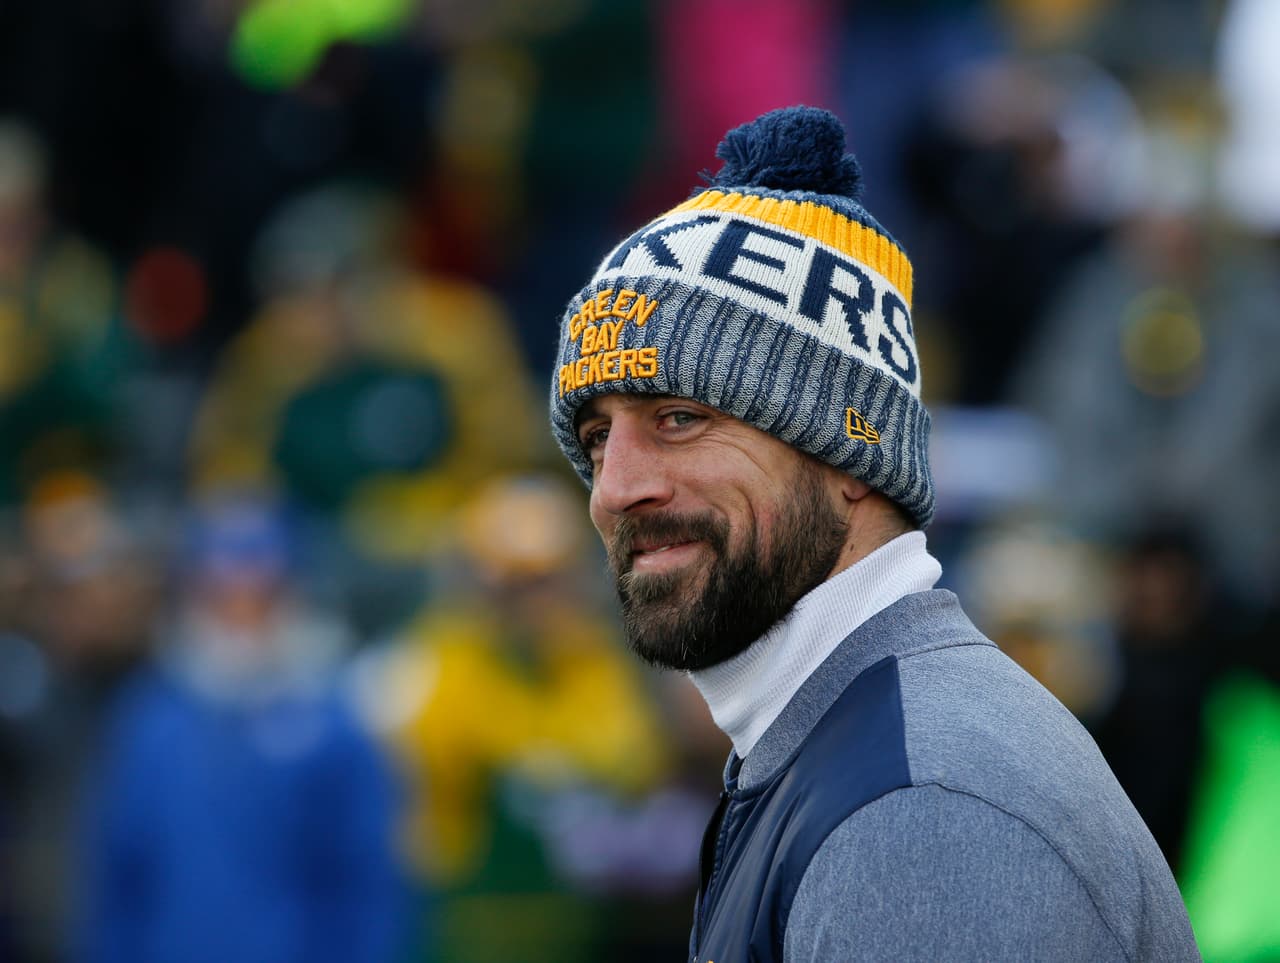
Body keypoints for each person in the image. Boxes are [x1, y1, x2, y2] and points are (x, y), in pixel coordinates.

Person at [547, 106, 1200, 962]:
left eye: (678, 417)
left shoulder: (921, 811)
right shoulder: (848, 752)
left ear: (850, 450)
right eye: (598, 438)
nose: (615, 490)